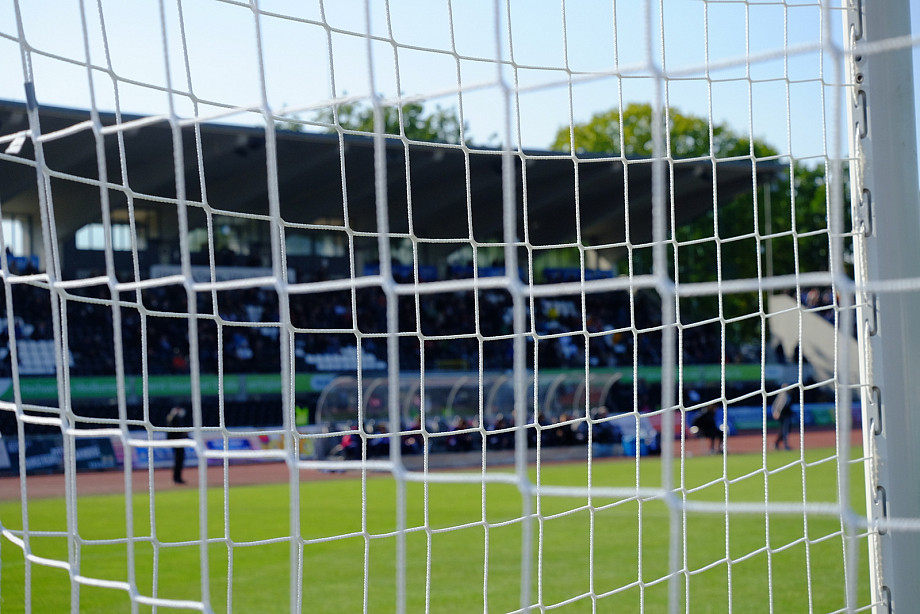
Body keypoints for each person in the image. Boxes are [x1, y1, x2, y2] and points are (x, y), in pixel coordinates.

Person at [166, 406, 188, 484]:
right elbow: (177, 431)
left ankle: (177, 478)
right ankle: (177, 478)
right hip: (177, 441)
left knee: (179, 459)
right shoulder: (175, 418)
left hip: (177, 441)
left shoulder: (171, 417)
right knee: (179, 459)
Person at [772, 386, 794, 450]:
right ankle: (785, 445)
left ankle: (777, 443)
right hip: (783, 415)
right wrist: (776, 412)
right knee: (785, 430)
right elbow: (778, 405)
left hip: (787, 415)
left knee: (785, 430)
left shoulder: (788, 395)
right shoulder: (783, 396)